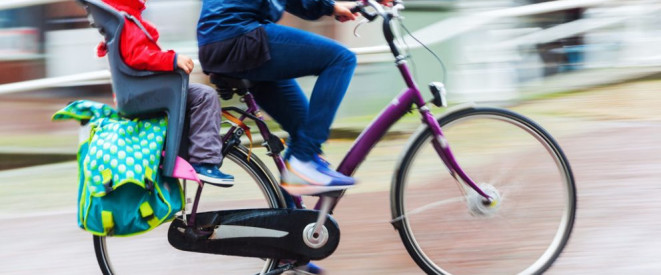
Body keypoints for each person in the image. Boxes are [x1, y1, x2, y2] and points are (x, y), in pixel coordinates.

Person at [197, 0, 369, 196]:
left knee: (303, 128)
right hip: (240, 37)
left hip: (227, 41)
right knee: (341, 58)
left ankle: (291, 218)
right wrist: (329, 7)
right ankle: (305, 160)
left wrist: (332, 7)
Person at [96, 0, 234, 186]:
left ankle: (184, 152)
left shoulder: (120, 18)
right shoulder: (125, 19)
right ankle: (204, 162)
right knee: (204, 96)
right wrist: (172, 59)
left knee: (195, 97)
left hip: (137, 90)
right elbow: (137, 56)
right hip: (143, 91)